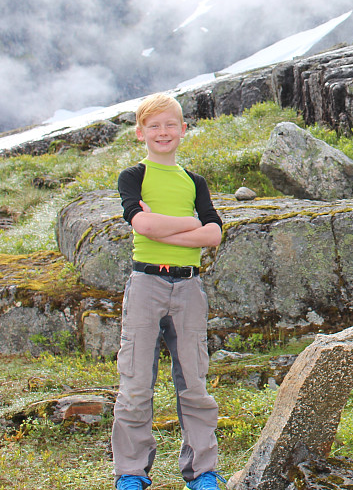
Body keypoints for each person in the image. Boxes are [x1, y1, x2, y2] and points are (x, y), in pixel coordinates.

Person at [112, 93, 226, 490]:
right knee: (136, 381)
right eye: (154, 126)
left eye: (171, 124)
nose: (163, 132)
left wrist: (165, 223)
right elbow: (141, 226)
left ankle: (203, 472)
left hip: (189, 286)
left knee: (193, 381)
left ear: (183, 129)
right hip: (146, 284)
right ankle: (131, 473)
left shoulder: (194, 182)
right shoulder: (133, 176)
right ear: (141, 132)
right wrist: (187, 227)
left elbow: (214, 232)